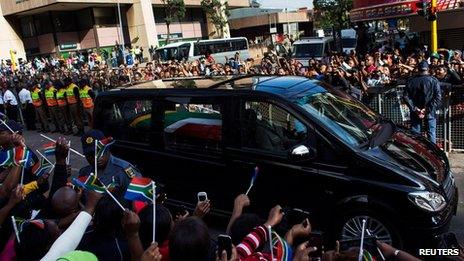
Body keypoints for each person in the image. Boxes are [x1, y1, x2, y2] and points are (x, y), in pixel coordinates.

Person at [78, 130, 141, 200]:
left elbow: (139, 197)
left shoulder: (123, 170)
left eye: (100, 152)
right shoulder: (84, 172)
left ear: (107, 148)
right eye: (90, 155)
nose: (96, 157)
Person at [404, 61, 441, 144]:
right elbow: (438, 98)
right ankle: (433, 154)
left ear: (418, 69)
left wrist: (415, 109)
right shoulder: (434, 81)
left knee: (415, 133)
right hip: (429, 111)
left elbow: (406, 97)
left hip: (416, 111)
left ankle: (416, 153)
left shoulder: (411, 80)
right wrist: (427, 109)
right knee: (431, 133)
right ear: (427, 69)